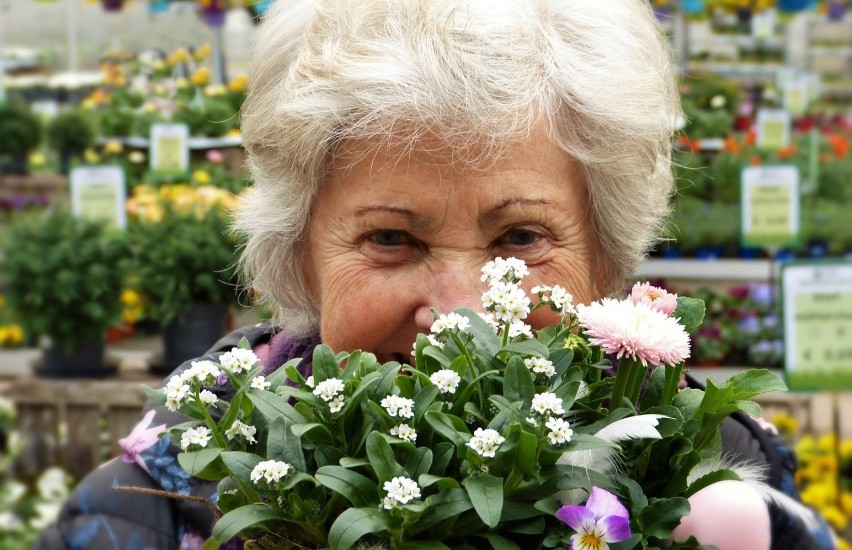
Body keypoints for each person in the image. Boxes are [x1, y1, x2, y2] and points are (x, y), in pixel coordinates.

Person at [36, 0, 835, 548]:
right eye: (390, 238)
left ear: (606, 259)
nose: (462, 315)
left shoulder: (721, 490)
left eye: (520, 236)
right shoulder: (139, 515)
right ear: (300, 257)